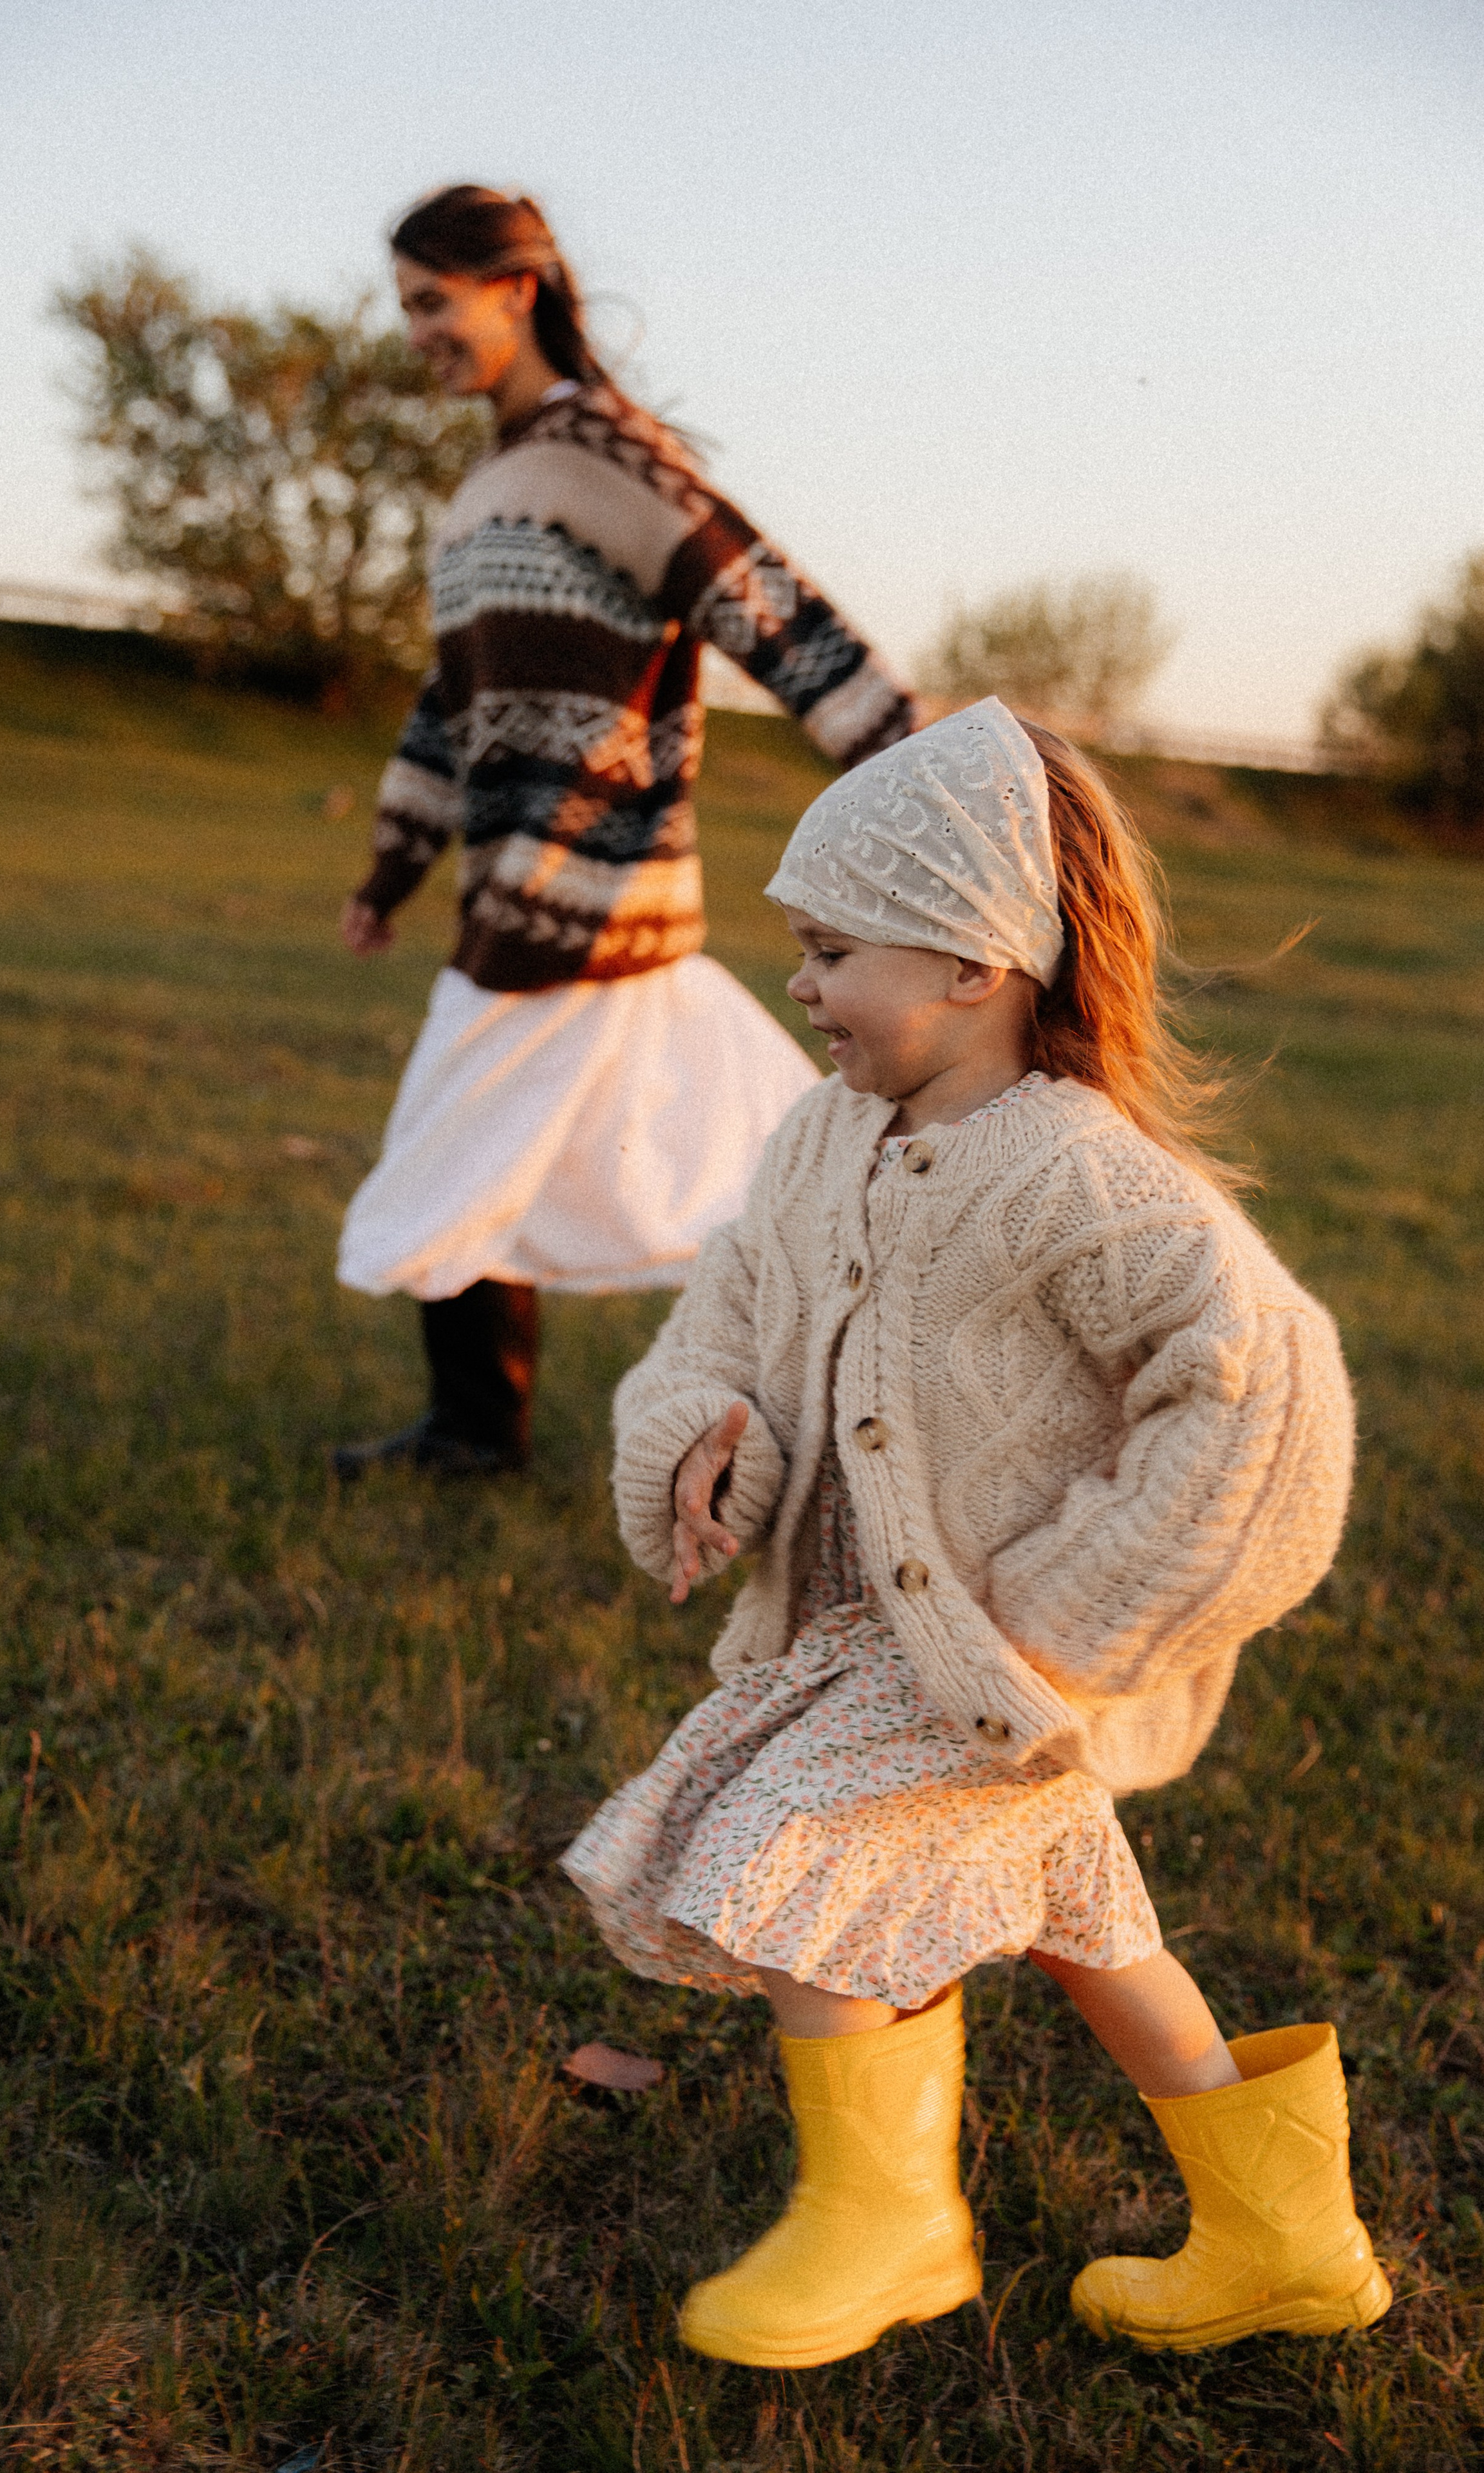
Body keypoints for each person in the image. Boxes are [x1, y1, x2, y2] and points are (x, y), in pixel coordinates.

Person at [563, 699, 1391, 2366]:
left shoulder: (1084, 1179)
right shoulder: (818, 1138)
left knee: (792, 1855)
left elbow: (1265, 1394)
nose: (800, 986)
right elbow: (724, 1318)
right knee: (1093, 1933)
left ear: (974, 963)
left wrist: (1069, 1611)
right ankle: (1287, 2235)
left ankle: (889, 2222)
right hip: (864, 1631)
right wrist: (704, 1437)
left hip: (995, 1649)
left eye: (831, 950)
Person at [333, 185, 916, 1475]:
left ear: (516, 289)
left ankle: (480, 1435)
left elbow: (768, 610)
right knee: (763, 1168)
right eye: (405, 307)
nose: (416, 330)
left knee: (453, 1146)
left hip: (585, 891)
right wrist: (393, 866)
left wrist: (924, 769)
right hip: (529, 890)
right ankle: (869, 1372)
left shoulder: (602, 455)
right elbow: (452, 705)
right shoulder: (487, 485)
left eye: (433, 301)